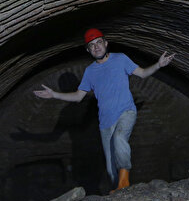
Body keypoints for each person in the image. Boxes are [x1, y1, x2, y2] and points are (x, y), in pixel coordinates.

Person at [33, 29, 175, 192]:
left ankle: (124, 182)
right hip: (105, 122)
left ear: (106, 43)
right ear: (88, 50)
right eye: (92, 45)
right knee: (110, 167)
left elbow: (142, 73)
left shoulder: (120, 59)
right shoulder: (90, 71)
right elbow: (79, 96)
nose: (96, 47)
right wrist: (54, 95)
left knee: (119, 138)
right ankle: (120, 194)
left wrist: (158, 64)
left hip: (126, 111)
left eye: (99, 43)